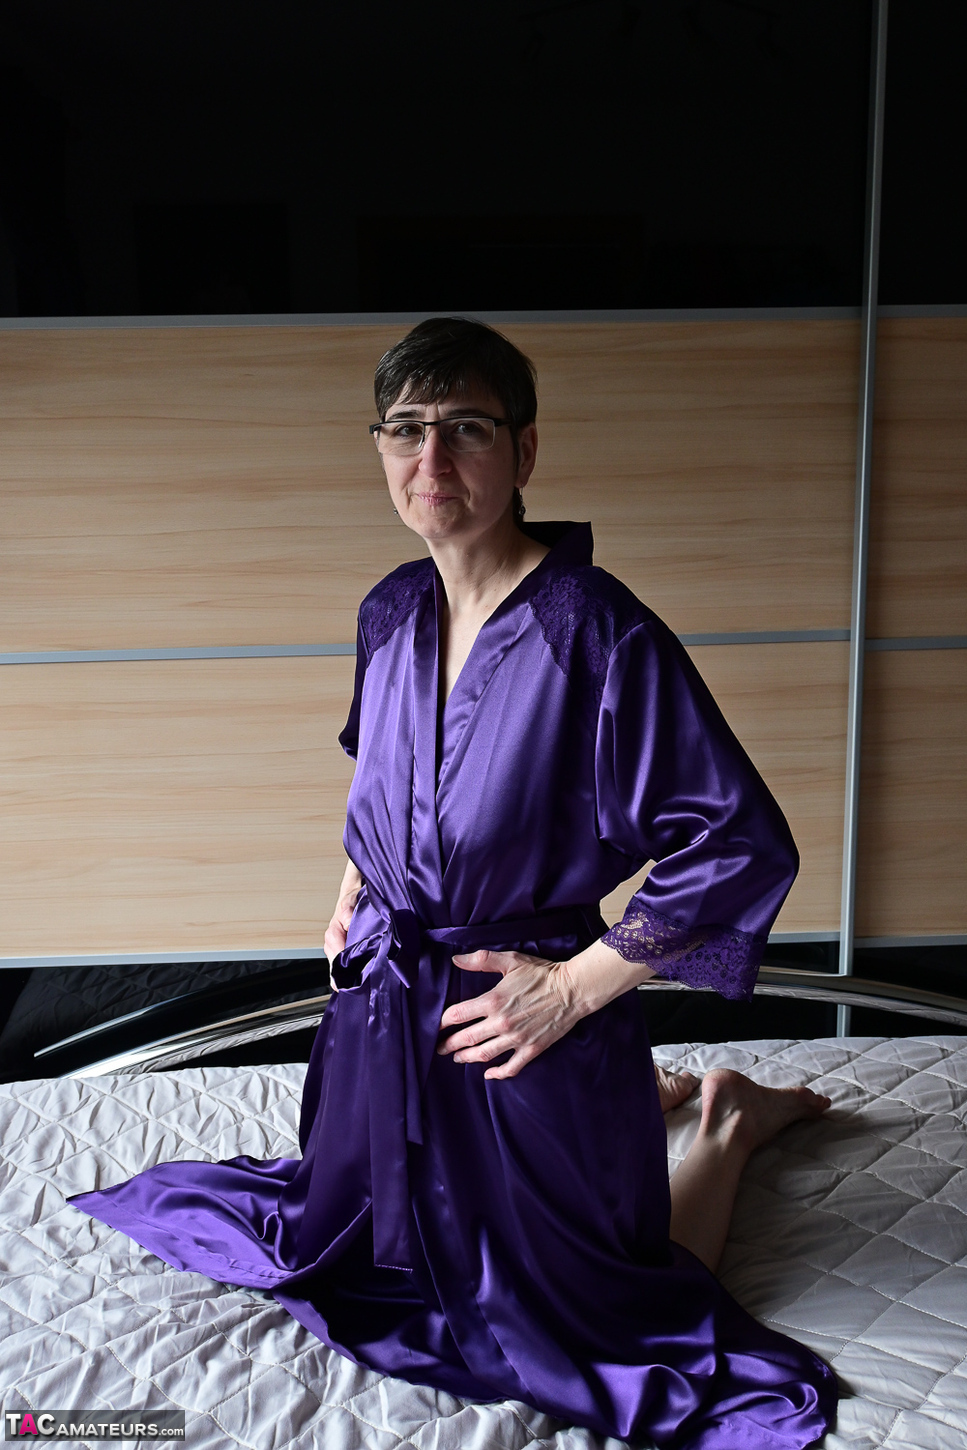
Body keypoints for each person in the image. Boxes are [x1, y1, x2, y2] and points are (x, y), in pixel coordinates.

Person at [72, 318, 837, 1449]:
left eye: (466, 429)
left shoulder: (598, 630)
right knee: (354, 1256)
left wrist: (569, 992)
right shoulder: (389, 608)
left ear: (522, 452)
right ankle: (657, 1102)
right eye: (406, 430)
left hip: (515, 1019)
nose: (431, 460)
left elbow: (740, 841)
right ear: (380, 447)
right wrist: (351, 887)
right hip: (384, 1006)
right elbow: (385, 770)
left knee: (591, 1319)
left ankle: (723, 1119)